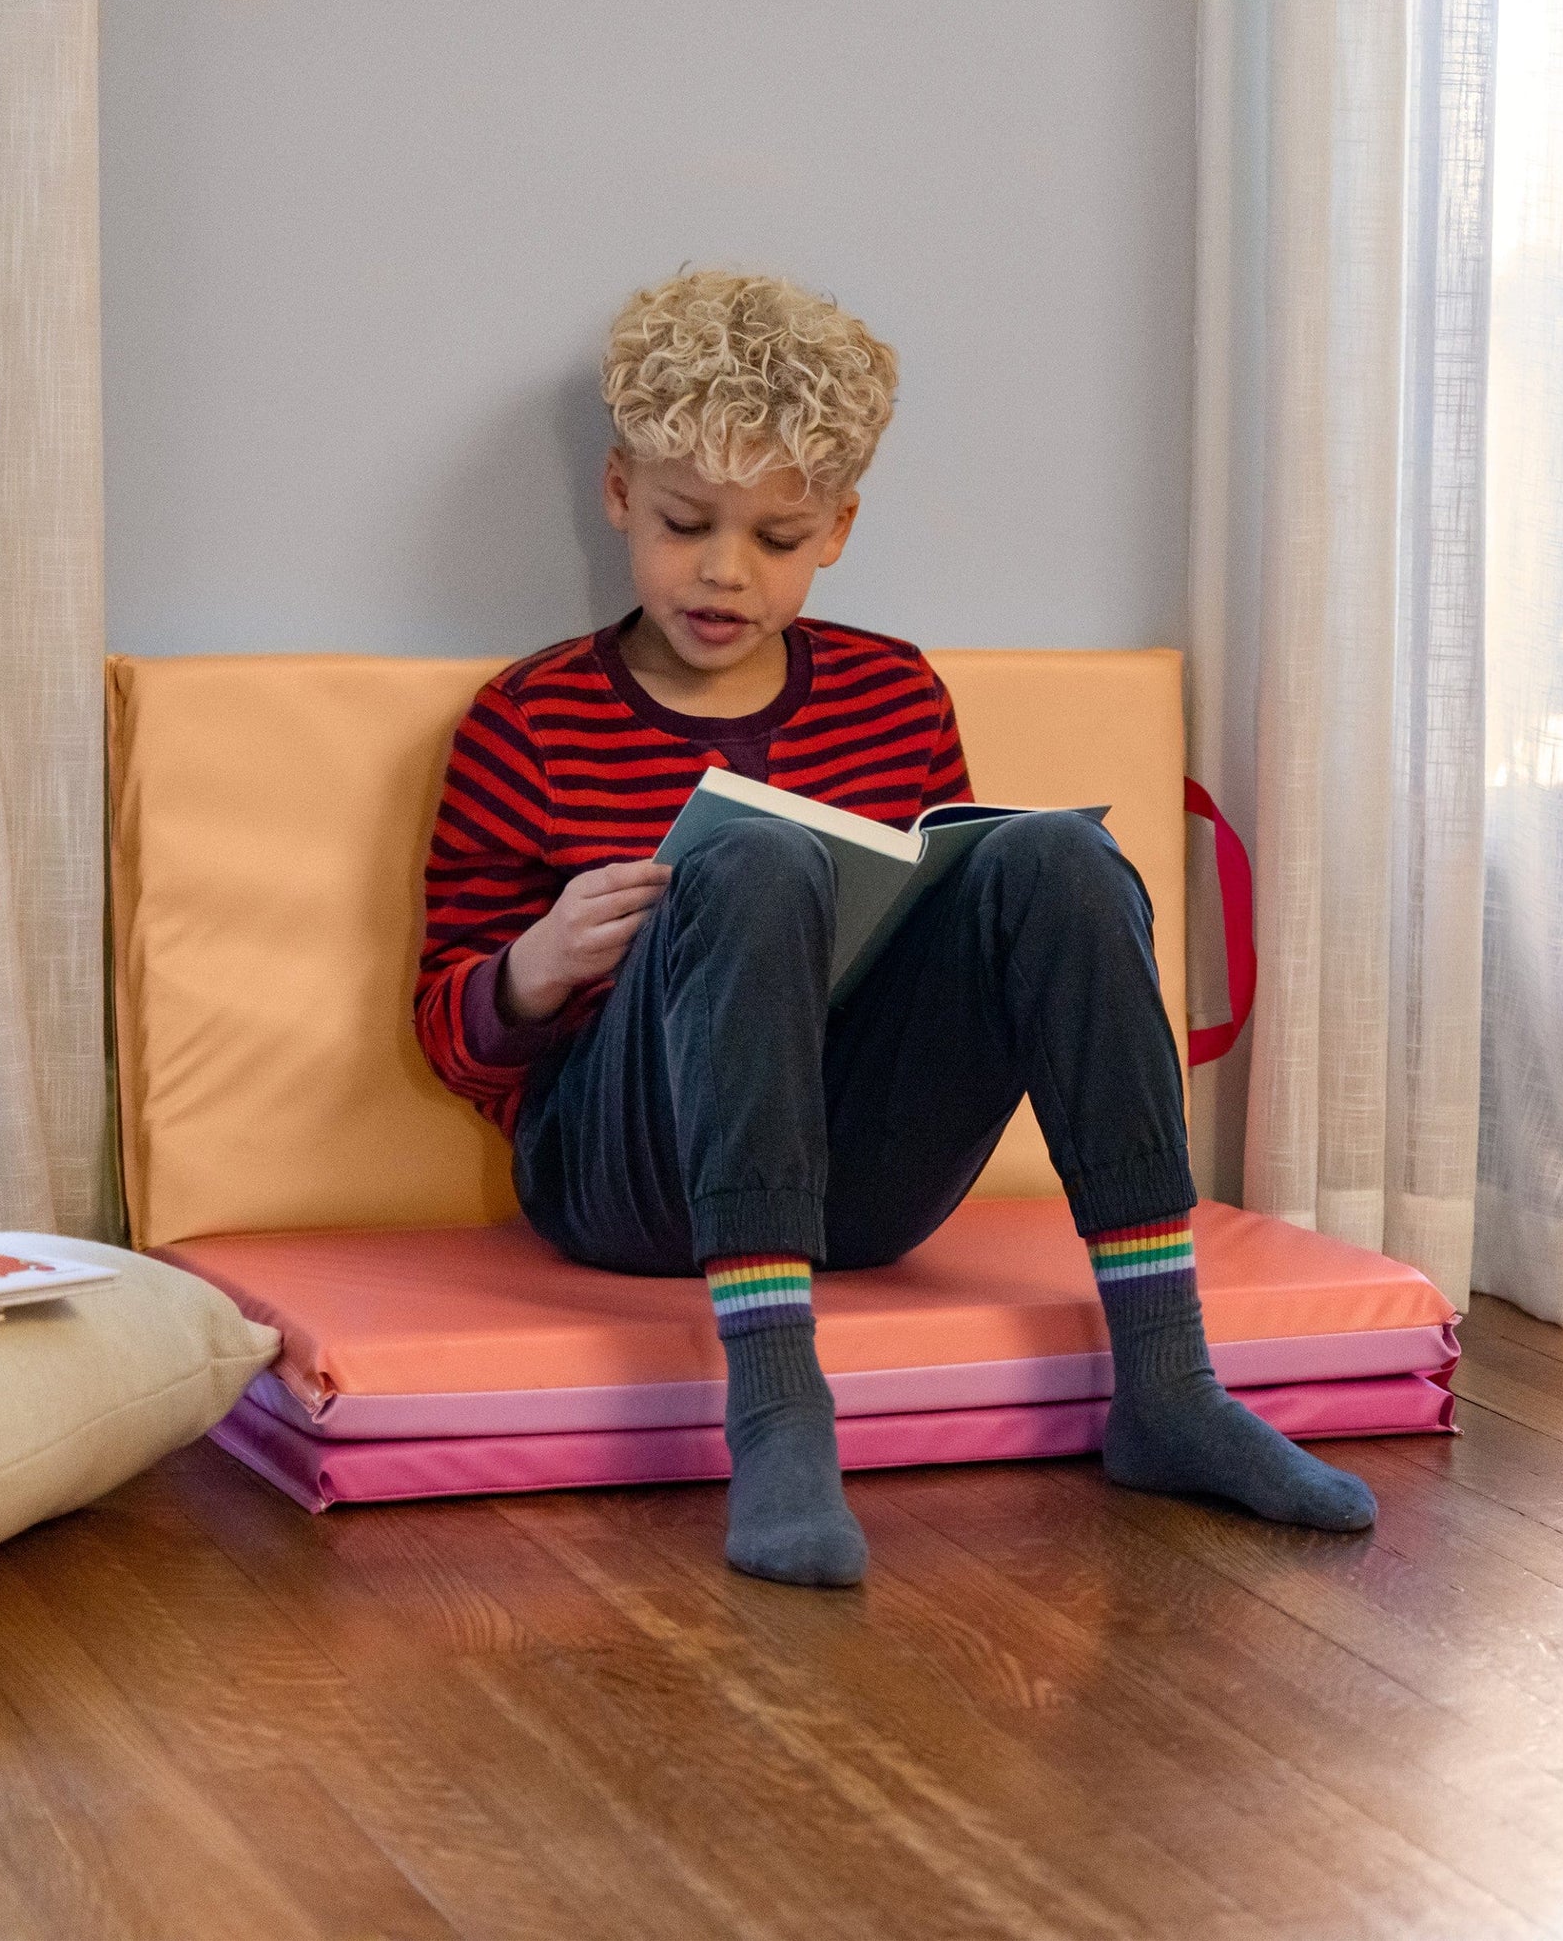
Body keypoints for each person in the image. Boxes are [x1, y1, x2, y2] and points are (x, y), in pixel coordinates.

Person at [415, 270, 1376, 1587]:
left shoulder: (891, 691)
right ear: (619, 494)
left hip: (858, 1171)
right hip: (624, 1182)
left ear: (838, 531)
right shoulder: (525, 719)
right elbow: (449, 1038)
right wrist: (532, 969)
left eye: (776, 538)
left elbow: (936, 905)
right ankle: (776, 1411)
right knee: (748, 854)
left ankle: (1166, 1381)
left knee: (1053, 851)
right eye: (688, 522)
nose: (722, 571)